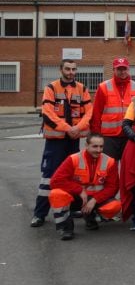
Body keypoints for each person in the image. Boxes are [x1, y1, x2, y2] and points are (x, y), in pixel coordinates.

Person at [31, 59, 93, 228]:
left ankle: (73, 208)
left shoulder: (82, 88)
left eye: (73, 69)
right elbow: (48, 113)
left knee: (73, 176)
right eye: (67, 69)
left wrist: (77, 128)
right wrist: (68, 128)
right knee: (49, 177)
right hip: (55, 142)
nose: (71, 72)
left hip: (73, 140)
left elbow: (89, 113)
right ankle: (39, 214)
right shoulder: (51, 88)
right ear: (61, 70)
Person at [48, 134, 121, 241]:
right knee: (56, 194)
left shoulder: (109, 161)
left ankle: (90, 216)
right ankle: (66, 228)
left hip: (95, 199)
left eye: (101, 146)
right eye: (95, 146)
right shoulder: (73, 159)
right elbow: (55, 181)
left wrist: (95, 200)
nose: (98, 150)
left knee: (115, 206)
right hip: (77, 198)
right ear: (86, 145)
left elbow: (113, 187)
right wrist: (79, 190)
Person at [90, 57, 135, 161]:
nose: (122, 72)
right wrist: (96, 135)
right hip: (109, 136)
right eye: (119, 69)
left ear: (128, 69)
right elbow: (96, 113)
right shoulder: (103, 87)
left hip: (129, 134)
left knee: (128, 167)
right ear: (113, 70)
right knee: (109, 167)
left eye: (124, 69)